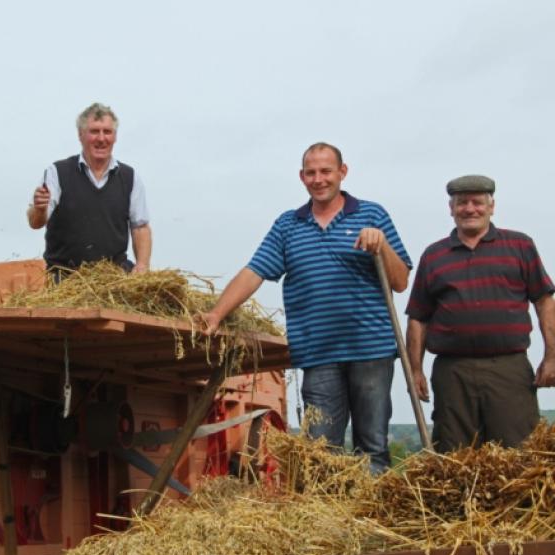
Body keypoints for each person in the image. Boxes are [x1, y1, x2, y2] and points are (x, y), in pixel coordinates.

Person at [202, 142, 411, 472]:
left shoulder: (372, 215)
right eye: (311, 173)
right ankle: (327, 507)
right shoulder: (289, 225)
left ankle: (372, 506)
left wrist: (381, 245)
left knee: (372, 449)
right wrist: (216, 314)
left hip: (371, 350)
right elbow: (254, 272)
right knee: (318, 453)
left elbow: (399, 282)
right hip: (318, 354)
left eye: (326, 171)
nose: (319, 179)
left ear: (342, 172)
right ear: (301, 177)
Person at [405, 175, 555, 452]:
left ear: (491, 206)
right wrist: (415, 370)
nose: (470, 209)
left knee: (518, 454)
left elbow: (544, 302)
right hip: (453, 372)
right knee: (454, 456)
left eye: (477, 202)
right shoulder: (434, 256)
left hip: (508, 368)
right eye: (462, 203)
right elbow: (418, 318)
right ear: (451, 209)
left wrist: (552, 356)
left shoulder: (520, 246)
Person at [27, 103, 151, 274]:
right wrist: (39, 209)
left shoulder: (130, 177)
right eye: (94, 131)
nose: (101, 138)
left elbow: (140, 227)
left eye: (107, 132)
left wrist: (142, 265)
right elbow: (35, 222)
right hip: (66, 276)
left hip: (115, 275)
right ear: (80, 134)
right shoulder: (57, 173)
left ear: (115, 136)